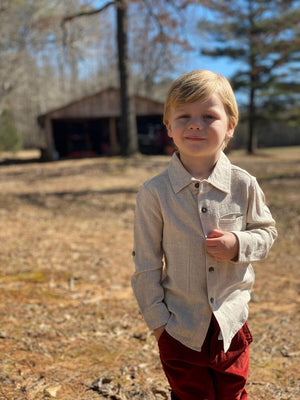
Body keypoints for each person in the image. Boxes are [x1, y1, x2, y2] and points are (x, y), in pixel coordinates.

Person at [131, 70, 277, 400]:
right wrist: (159, 326)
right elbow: (146, 263)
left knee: (233, 394)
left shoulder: (243, 184)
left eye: (208, 115)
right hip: (180, 328)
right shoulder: (154, 193)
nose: (195, 124)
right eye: (183, 116)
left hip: (231, 325)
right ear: (168, 126)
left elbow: (267, 233)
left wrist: (239, 244)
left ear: (230, 126)